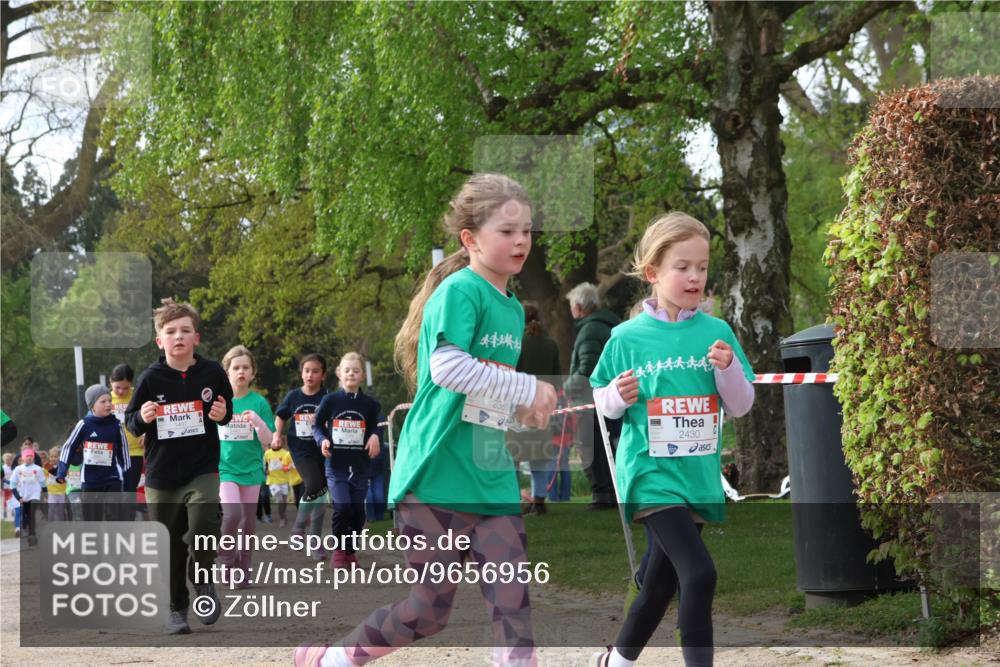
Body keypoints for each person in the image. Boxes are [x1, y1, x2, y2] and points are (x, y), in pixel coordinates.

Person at [294, 174, 557, 667]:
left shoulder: (513, 311)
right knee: (428, 612)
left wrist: (524, 412)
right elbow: (450, 368)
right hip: (433, 479)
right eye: (507, 231)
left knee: (513, 604)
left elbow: (489, 392)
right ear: (470, 239)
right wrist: (526, 387)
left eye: (527, 231)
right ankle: (336, 659)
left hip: (490, 477)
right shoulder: (460, 292)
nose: (521, 240)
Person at [588, 212, 756, 667]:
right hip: (650, 472)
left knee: (660, 580)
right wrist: (615, 398)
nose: (695, 277)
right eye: (683, 267)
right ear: (653, 273)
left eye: (702, 267)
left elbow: (740, 406)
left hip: (696, 474)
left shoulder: (717, 333)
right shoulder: (626, 337)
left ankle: (616, 661)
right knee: (699, 574)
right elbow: (600, 399)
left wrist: (729, 370)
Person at [125, 298, 233, 635]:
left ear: (196, 338)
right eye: (170, 332)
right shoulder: (150, 378)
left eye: (185, 330)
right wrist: (141, 418)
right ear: (160, 341)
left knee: (204, 521)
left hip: (202, 468)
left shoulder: (212, 372)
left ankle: (200, 576)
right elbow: (131, 421)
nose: (178, 337)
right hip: (162, 475)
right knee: (170, 545)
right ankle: (176, 607)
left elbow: (225, 408)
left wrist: (222, 414)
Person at [312, 352, 381, 570]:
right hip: (336, 464)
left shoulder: (370, 404)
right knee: (343, 507)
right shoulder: (330, 400)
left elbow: (376, 425)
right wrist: (322, 439)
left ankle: (351, 551)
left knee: (358, 512)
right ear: (339, 374)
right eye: (347, 370)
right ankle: (339, 552)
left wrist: (374, 436)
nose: (351, 373)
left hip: (360, 465)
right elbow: (316, 425)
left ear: (362, 376)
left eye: (356, 370)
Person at [217, 345, 274, 583]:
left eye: (245, 367)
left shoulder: (259, 403)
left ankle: (243, 571)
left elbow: (269, 441)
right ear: (227, 371)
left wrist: (258, 422)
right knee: (232, 515)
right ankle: (226, 561)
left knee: (248, 526)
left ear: (252, 373)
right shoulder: (219, 401)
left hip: (251, 471)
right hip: (225, 469)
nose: (241, 371)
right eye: (236, 367)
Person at [564, 282, 622, 510]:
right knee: (608, 446)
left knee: (591, 448)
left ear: (579, 306)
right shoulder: (610, 325)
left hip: (590, 400)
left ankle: (602, 495)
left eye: (571, 305)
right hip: (610, 397)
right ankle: (613, 492)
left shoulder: (589, 330)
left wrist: (567, 388)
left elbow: (588, 366)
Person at [506, 302, 561, 516]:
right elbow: (557, 377)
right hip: (541, 407)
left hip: (517, 406)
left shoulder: (515, 343)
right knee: (539, 457)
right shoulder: (551, 343)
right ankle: (539, 502)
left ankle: (512, 502)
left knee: (513, 457)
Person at [275, 354, 330, 550]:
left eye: (315, 371)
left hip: (322, 450)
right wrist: (277, 435)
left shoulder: (327, 398)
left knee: (320, 494)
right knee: (314, 484)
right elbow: (281, 416)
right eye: (307, 371)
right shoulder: (294, 396)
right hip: (300, 449)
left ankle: (315, 541)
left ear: (323, 375)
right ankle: (298, 528)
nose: (310, 375)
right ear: (301, 373)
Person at [56, 384, 132, 522]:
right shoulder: (84, 424)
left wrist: (127, 477)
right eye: (103, 401)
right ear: (92, 406)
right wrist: (61, 471)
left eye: (109, 400)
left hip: (112, 479)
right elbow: (68, 447)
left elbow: (124, 451)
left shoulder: (116, 425)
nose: (108, 404)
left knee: (114, 518)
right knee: (91, 520)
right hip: (90, 482)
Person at [111, 364, 145, 497]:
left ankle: (129, 516)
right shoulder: (104, 398)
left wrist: (147, 434)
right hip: (112, 453)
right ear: (110, 382)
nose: (121, 391)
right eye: (117, 387)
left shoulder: (138, 396)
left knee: (129, 492)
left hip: (134, 452)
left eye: (125, 388)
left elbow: (150, 415)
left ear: (130, 383)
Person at [10, 447, 44, 546]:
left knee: (32, 514)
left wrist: (45, 495)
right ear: (22, 458)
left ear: (33, 458)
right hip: (23, 496)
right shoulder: (18, 469)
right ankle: (27, 532)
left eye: (31, 456)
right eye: (27, 456)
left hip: (35, 496)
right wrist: (18, 497)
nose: (29, 458)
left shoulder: (38, 469)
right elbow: (13, 485)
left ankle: (32, 535)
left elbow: (43, 483)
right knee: (25, 517)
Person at [264, 437, 293, 528]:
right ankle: (282, 519)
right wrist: (265, 471)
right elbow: (264, 465)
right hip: (273, 481)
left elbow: (289, 465)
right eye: (274, 441)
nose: (276, 443)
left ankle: (283, 516)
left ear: (282, 442)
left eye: (278, 441)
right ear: (271, 442)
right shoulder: (267, 453)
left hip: (284, 480)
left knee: (283, 501)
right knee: (279, 499)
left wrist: (288, 467)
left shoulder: (285, 453)